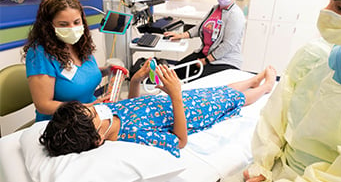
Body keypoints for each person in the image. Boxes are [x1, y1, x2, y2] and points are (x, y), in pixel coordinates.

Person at [224, 0, 341, 181]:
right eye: (329, 0)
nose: (325, 11)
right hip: (277, 167)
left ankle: (263, 84)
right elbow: (276, 117)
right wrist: (262, 167)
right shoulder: (313, 57)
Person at [39, 60, 277, 158]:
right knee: (232, 98)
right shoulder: (132, 136)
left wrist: (135, 81)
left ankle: (251, 79)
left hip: (177, 100)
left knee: (218, 88)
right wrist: (175, 96)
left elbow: (131, 103)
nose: (97, 107)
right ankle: (264, 88)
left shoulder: (110, 118)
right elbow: (179, 141)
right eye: (92, 113)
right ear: (98, 139)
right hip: (190, 112)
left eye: (89, 108)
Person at [22, 0, 111, 122]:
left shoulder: (80, 43)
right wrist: (83, 108)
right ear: (49, 26)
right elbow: (43, 105)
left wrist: (107, 70)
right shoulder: (39, 54)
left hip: (91, 114)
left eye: (76, 22)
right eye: (63, 25)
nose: (72, 28)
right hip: (61, 123)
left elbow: (81, 75)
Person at [164, 0, 245, 81]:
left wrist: (206, 61)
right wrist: (180, 35)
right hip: (205, 53)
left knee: (196, 80)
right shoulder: (215, 8)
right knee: (176, 72)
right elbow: (200, 28)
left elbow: (227, 45)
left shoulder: (235, 14)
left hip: (225, 59)